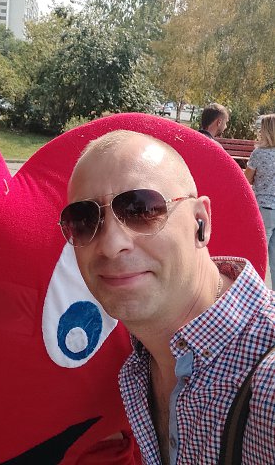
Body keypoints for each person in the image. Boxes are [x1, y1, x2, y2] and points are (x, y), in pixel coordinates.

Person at [59, 129, 274, 464]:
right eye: (84, 220)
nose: (111, 244)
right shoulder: (140, 369)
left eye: (141, 209)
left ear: (200, 222)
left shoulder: (268, 387)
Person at [245, 114, 275, 289]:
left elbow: (247, 179)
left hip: (264, 208)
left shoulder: (259, 154)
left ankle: (255, 291)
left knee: (259, 254)